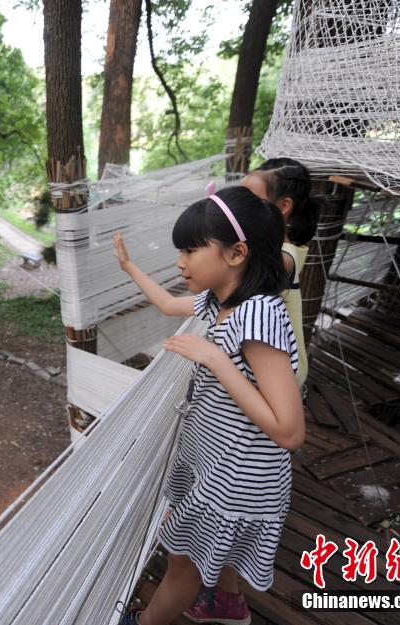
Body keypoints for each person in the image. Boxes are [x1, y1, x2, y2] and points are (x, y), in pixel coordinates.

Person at [112, 186, 304, 625]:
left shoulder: (258, 316)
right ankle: (227, 604)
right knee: (208, 552)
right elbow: (164, 303)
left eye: (191, 250)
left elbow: (290, 432)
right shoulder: (218, 302)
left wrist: (215, 358)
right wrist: (128, 266)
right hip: (216, 458)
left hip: (238, 475)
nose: (181, 262)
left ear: (237, 254)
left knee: (183, 564)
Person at [241, 158, 324, 386]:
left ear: (283, 206)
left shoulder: (282, 257)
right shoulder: (273, 248)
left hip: (282, 371)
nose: (238, 205)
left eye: (249, 198)